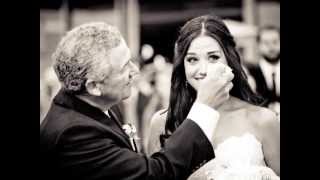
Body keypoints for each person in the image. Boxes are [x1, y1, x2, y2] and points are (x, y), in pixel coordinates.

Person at [40, 22, 234, 180]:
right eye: (124, 67)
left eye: (131, 60)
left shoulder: (94, 105)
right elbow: (155, 174)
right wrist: (204, 107)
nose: (136, 71)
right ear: (94, 87)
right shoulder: (74, 135)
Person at [147, 15, 280, 180]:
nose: (203, 70)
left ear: (230, 60)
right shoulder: (162, 123)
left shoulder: (264, 119)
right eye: (192, 59)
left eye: (213, 57)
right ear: (182, 65)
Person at [247, 26, 280, 117]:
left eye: (275, 42)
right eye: (266, 43)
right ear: (258, 45)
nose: (271, 47)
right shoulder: (250, 73)